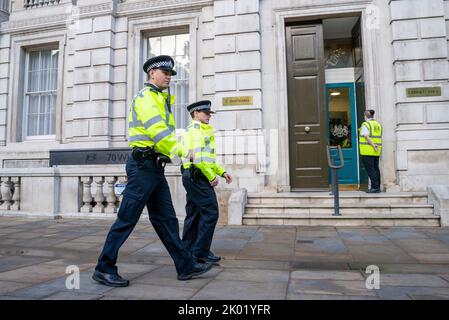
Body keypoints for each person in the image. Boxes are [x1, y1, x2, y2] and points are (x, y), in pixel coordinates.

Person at [92, 55, 212, 287]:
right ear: (152, 73)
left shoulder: (160, 98)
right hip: (142, 166)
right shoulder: (147, 98)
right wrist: (182, 150)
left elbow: (162, 135)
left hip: (154, 168)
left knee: (166, 220)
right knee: (127, 218)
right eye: (164, 73)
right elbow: (158, 132)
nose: (169, 77)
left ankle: (185, 265)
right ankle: (104, 267)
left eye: (170, 74)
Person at [180, 100, 232, 264]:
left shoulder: (202, 130)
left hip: (193, 175)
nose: (209, 115)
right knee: (211, 212)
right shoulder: (196, 131)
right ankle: (200, 251)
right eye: (205, 113)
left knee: (194, 214)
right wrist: (211, 176)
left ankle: (187, 251)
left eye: (209, 113)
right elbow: (199, 159)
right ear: (195, 114)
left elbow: (208, 159)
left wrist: (221, 172)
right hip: (197, 175)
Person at [359, 109, 382, 193]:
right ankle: (377, 187)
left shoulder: (366, 124)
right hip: (376, 151)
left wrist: (373, 145)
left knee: (371, 170)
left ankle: (375, 187)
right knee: (376, 168)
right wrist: (375, 147)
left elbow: (366, 136)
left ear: (365, 116)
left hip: (367, 151)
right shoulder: (378, 124)